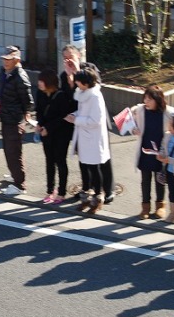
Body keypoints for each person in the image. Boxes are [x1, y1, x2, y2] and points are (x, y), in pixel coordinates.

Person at [60, 44, 115, 203]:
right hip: (79, 121)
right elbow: (70, 97)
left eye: (71, 57)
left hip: (96, 122)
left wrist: (77, 72)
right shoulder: (64, 75)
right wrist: (70, 80)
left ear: (78, 55)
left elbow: (95, 86)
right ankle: (87, 188)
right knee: (84, 158)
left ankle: (108, 190)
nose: (68, 61)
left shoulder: (90, 68)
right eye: (65, 58)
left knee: (102, 158)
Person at [65, 67, 111, 213]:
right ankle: (86, 197)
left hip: (92, 138)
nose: (76, 83)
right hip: (84, 137)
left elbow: (96, 120)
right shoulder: (83, 93)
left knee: (94, 168)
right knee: (84, 167)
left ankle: (97, 198)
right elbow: (83, 112)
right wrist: (74, 115)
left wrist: (76, 120)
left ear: (85, 83)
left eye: (78, 81)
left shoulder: (95, 96)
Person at [130, 86, 174, 219]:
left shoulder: (169, 113)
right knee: (145, 180)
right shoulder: (140, 110)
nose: (146, 101)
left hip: (160, 151)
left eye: (149, 99)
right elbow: (128, 121)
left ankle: (160, 206)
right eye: (145, 98)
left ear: (158, 100)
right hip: (145, 149)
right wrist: (133, 129)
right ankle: (145, 208)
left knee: (160, 179)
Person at [0, 45, 34, 195]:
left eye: (9, 59)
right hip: (6, 117)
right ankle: (15, 175)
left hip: (14, 120)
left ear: (17, 60)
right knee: (8, 150)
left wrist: (22, 115)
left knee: (13, 152)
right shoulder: (6, 72)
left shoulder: (20, 77)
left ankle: (20, 185)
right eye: (4, 59)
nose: (5, 62)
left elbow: (28, 101)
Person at [35, 69, 72, 204]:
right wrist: (39, 124)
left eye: (42, 81)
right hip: (46, 133)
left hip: (61, 133)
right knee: (49, 161)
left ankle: (61, 192)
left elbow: (63, 117)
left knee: (60, 161)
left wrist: (48, 128)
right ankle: (50, 190)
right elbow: (39, 111)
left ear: (49, 82)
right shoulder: (40, 93)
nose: (39, 83)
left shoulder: (61, 96)